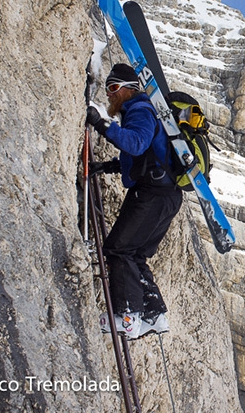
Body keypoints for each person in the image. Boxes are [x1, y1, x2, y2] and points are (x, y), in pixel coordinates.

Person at [86, 63, 183, 340]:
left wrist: (101, 123)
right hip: (167, 196)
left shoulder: (140, 109)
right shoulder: (148, 111)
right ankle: (154, 315)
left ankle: (127, 316)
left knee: (119, 249)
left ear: (130, 89)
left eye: (114, 88)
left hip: (150, 195)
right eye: (108, 90)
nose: (110, 95)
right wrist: (109, 167)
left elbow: (136, 143)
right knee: (137, 255)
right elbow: (145, 156)